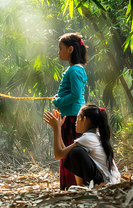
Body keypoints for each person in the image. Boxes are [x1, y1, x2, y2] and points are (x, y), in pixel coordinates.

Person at [43, 105, 121, 187]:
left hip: (104, 183)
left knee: (76, 152)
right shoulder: (94, 136)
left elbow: (58, 155)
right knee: (74, 152)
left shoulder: (87, 138)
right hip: (109, 181)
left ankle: (82, 189)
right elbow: (64, 153)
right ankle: (83, 189)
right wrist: (58, 128)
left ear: (85, 120)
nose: (76, 122)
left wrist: (56, 128)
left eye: (78, 118)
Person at [52, 33, 88, 190]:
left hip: (73, 118)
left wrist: (58, 101)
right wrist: (59, 97)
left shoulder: (74, 70)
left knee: (69, 152)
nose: (58, 52)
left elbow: (75, 95)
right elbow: (72, 92)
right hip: (70, 116)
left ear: (71, 49)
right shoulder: (74, 70)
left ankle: (74, 185)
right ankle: (70, 186)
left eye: (60, 48)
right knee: (67, 150)